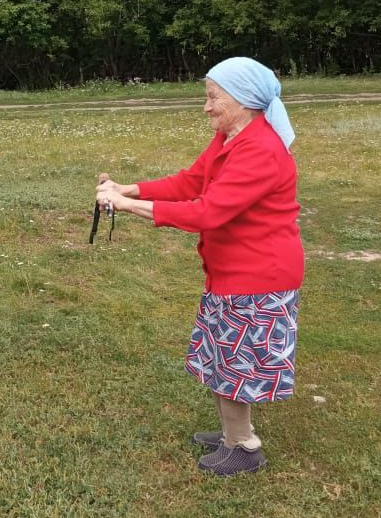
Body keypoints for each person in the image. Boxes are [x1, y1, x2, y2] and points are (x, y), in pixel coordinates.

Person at [95, 57, 304, 477]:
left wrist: (128, 205)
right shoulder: (231, 135)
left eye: (213, 98)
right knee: (222, 359)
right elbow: (192, 181)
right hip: (231, 271)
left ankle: (243, 447)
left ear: (244, 100)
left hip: (258, 277)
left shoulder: (260, 149)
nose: (206, 107)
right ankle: (231, 432)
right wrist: (129, 187)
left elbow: (207, 212)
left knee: (236, 364)